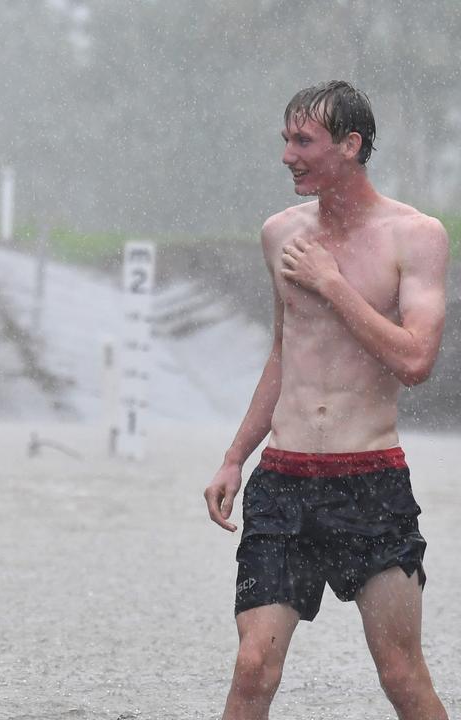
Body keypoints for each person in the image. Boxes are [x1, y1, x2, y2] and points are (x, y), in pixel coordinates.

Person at [203, 81, 450, 719]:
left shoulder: (415, 236)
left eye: (303, 140)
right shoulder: (279, 234)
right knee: (253, 666)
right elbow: (284, 356)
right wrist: (235, 456)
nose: (287, 154)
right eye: (286, 139)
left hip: (371, 483)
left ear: (350, 144)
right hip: (282, 484)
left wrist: (333, 285)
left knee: (400, 673)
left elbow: (416, 361)